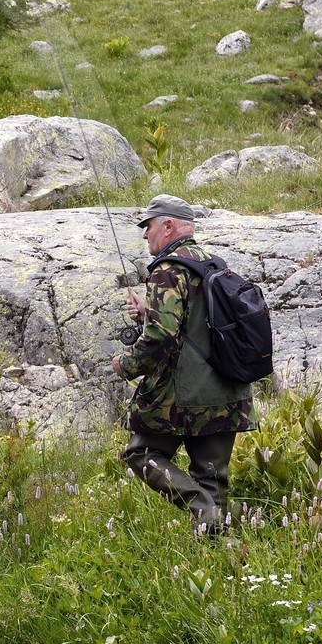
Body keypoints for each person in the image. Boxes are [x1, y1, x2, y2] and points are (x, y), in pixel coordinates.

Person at [111, 194, 255, 534]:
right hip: (229, 389)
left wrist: (127, 365)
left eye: (148, 227)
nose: (145, 235)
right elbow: (200, 320)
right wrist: (148, 312)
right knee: (211, 475)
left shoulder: (167, 270)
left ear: (169, 226)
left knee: (140, 454)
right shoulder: (214, 264)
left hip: (186, 394)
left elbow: (162, 337)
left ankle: (203, 510)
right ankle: (220, 551)